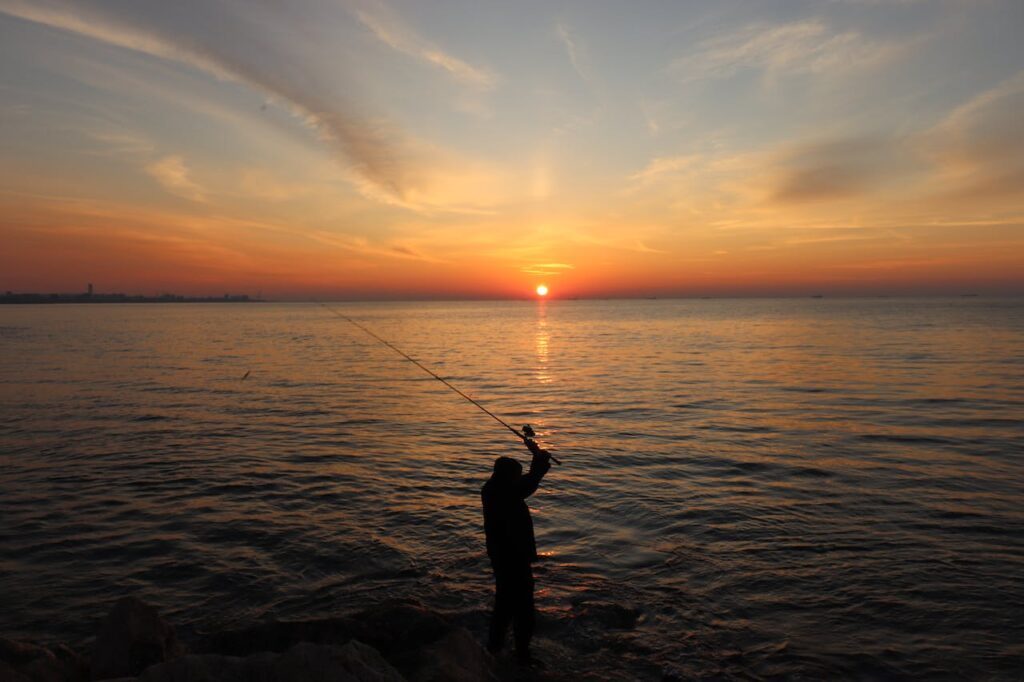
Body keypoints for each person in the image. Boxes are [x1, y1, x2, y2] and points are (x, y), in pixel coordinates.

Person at [481, 438, 552, 663]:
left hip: (501, 555)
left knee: (504, 602)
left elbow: (526, 481)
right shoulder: (504, 493)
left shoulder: (493, 488)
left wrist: (535, 452)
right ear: (508, 477)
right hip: (513, 556)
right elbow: (530, 482)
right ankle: (522, 654)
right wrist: (539, 458)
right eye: (515, 476)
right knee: (523, 607)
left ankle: (495, 647)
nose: (517, 479)